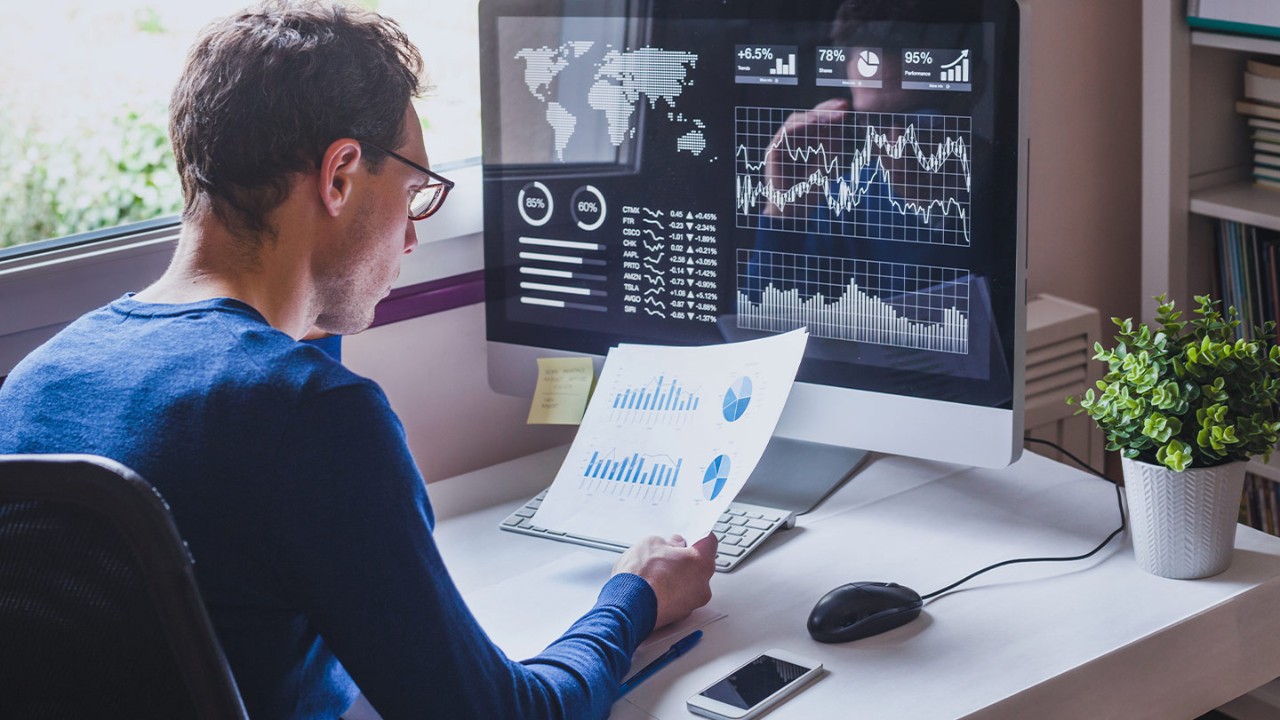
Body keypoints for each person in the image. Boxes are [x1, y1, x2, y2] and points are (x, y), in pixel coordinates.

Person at [0, 2, 716, 718]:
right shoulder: (309, 419)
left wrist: (309, 303)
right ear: (339, 175)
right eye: (413, 193)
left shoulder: (35, 382)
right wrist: (635, 595)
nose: (410, 240)